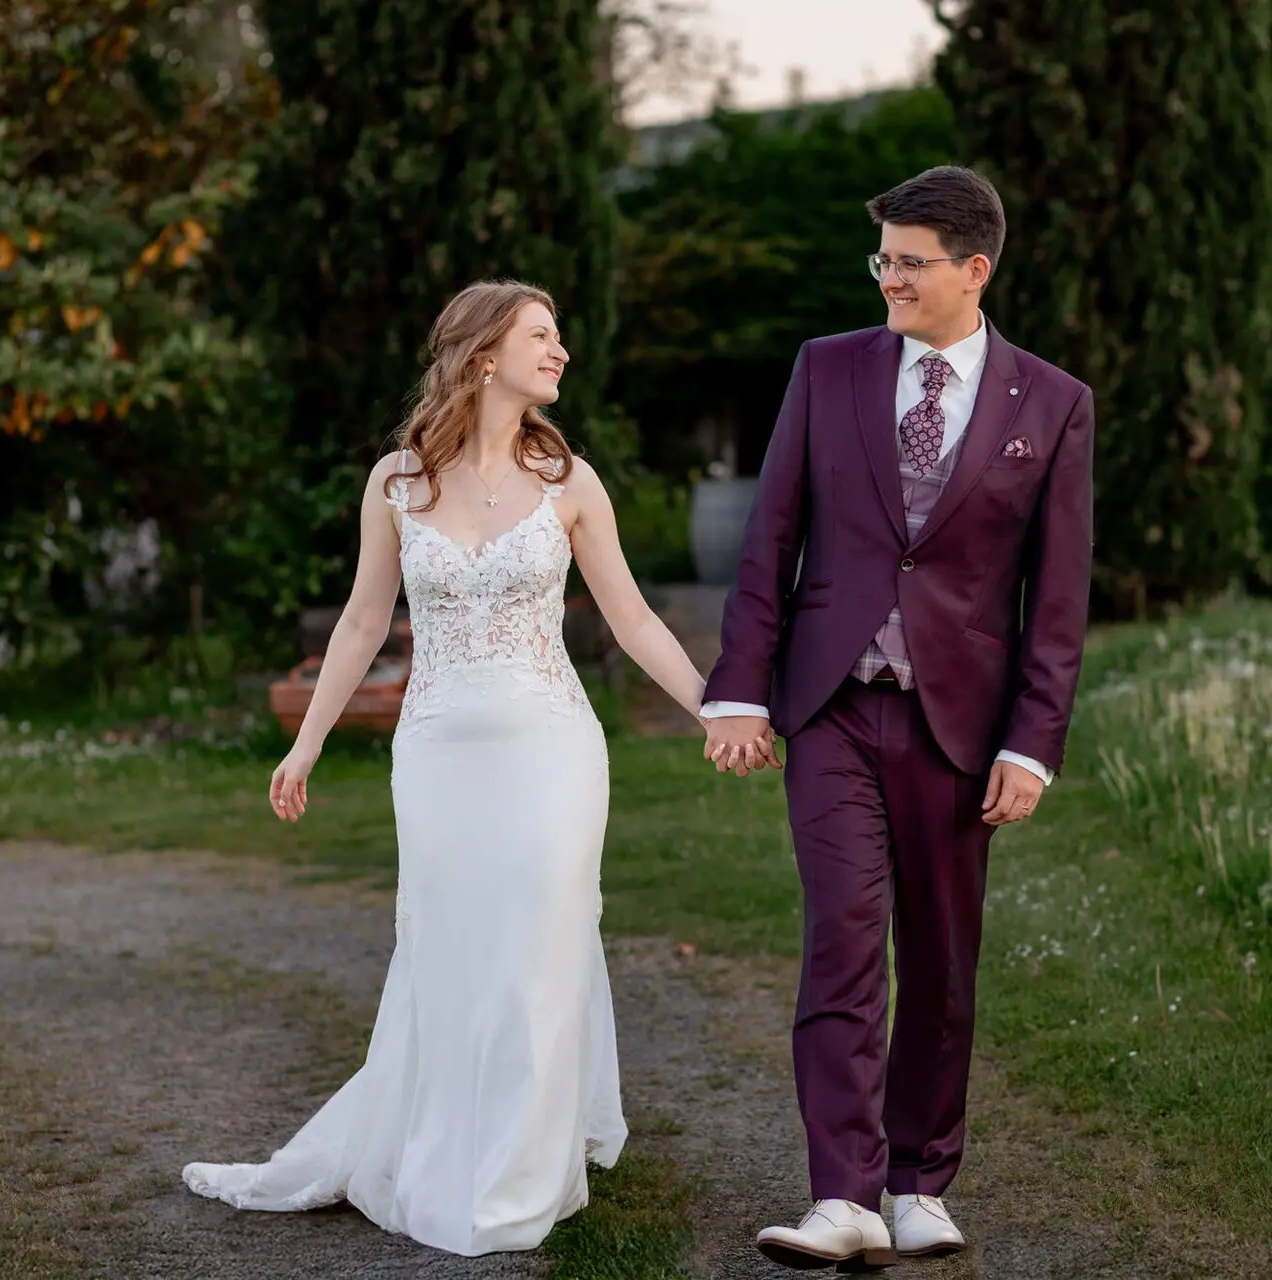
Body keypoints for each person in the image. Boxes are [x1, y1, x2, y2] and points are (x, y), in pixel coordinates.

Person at [182, 280, 718, 1257]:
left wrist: (716, 706)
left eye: (560, 336)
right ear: (482, 355)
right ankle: (438, 1144)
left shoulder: (571, 482)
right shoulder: (398, 481)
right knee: (449, 954)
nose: (560, 352)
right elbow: (359, 622)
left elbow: (634, 619)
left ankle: (519, 1180)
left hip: (553, 748)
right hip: (434, 754)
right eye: (541, 336)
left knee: (540, 954)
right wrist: (305, 743)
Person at [700, 166, 1094, 1269]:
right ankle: (842, 1192)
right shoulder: (826, 370)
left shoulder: (1054, 403)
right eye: (882, 258)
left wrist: (1032, 740)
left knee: (942, 957)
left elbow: (1057, 596)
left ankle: (919, 1179)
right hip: (829, 709)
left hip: (960, 730)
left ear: (975, 269)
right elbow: (771, 534)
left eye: (909, 261)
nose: (889, 277)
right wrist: (739, 685)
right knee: (839, 938)